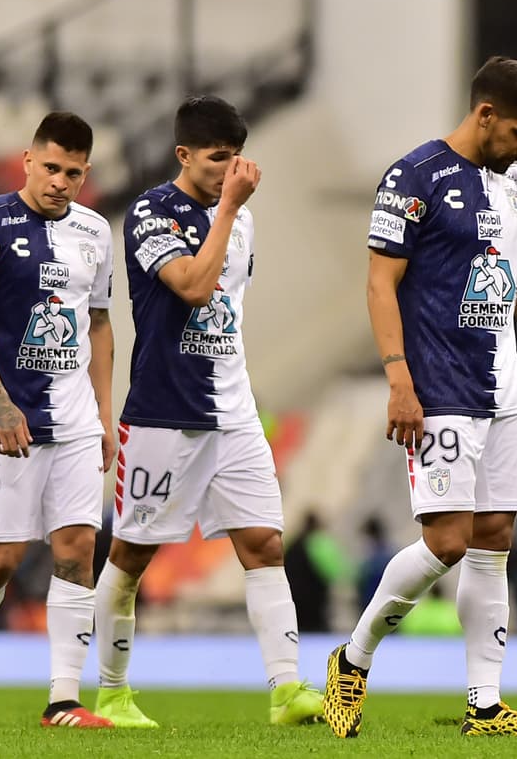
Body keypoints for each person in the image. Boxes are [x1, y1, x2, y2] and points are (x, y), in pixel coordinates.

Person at [323, 56, 517, 739]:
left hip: (502, 385)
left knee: (495, 537)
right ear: (485, 115)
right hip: (436, 385)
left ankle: (485, 702)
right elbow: (380, 283)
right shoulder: (414, 176)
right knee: (445, 541)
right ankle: (351, 661)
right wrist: (398, 378)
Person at [92, 96, 323, 728]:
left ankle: (286, 690)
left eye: (236, 158)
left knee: (265, 544)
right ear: (183, 155)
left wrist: (228, 213)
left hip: (235, 410)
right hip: (167, 412)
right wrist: (227, 209)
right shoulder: (150, 213)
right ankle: (111, 693)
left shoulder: (240, 220)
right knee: (132, 555)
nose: (229, 170)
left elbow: (226, 308)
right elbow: (193, 286)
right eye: (216, 158)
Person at [0, 111, 115, 729]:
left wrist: (103, 414)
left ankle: (63, 701)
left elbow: (97, 324)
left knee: (76, 550)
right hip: (5, 420)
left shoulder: (96, 232)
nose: (60, 181)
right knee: (2, 559)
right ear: (27, 161)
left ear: (85, 173)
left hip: (73, 421)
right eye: (50, 168)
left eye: (73, 172)